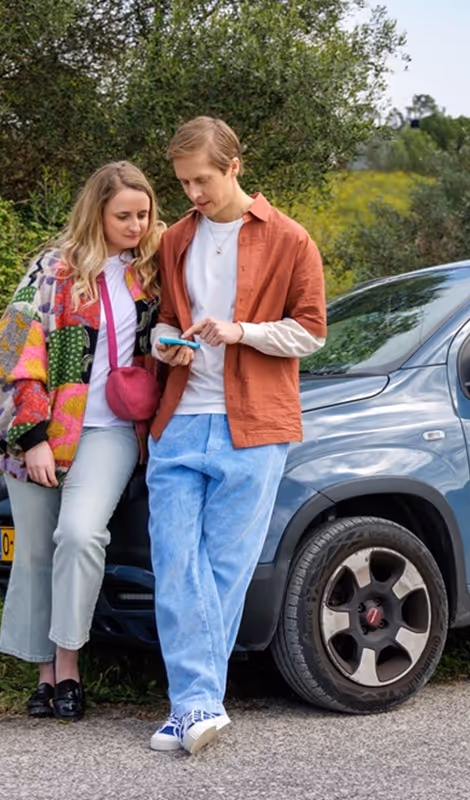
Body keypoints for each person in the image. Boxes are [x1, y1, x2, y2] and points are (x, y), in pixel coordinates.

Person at [146, 117, 327, 753]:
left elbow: (311, 331)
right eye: (183, 183)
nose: (193, 194)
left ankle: (190, 707)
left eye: (202, 180)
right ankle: (200, 704)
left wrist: (241, 332)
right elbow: (166, 318)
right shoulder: (175, 238)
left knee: (225, 569)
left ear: (234, 167)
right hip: (179, 419)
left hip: (254, 423)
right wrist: (166, 344)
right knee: (175, 561)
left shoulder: (291, 238)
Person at [0, 161, 162, 721]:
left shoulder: (151, 272)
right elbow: (15, 348)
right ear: (97, 212)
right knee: (35, 551)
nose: (136, 225)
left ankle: (69, 665)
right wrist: (32, 436)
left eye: (144, 214)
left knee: (80, 535)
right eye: (123, 215)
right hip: (44, 430)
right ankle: (43, 674)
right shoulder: (52, 269)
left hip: (112, 430)